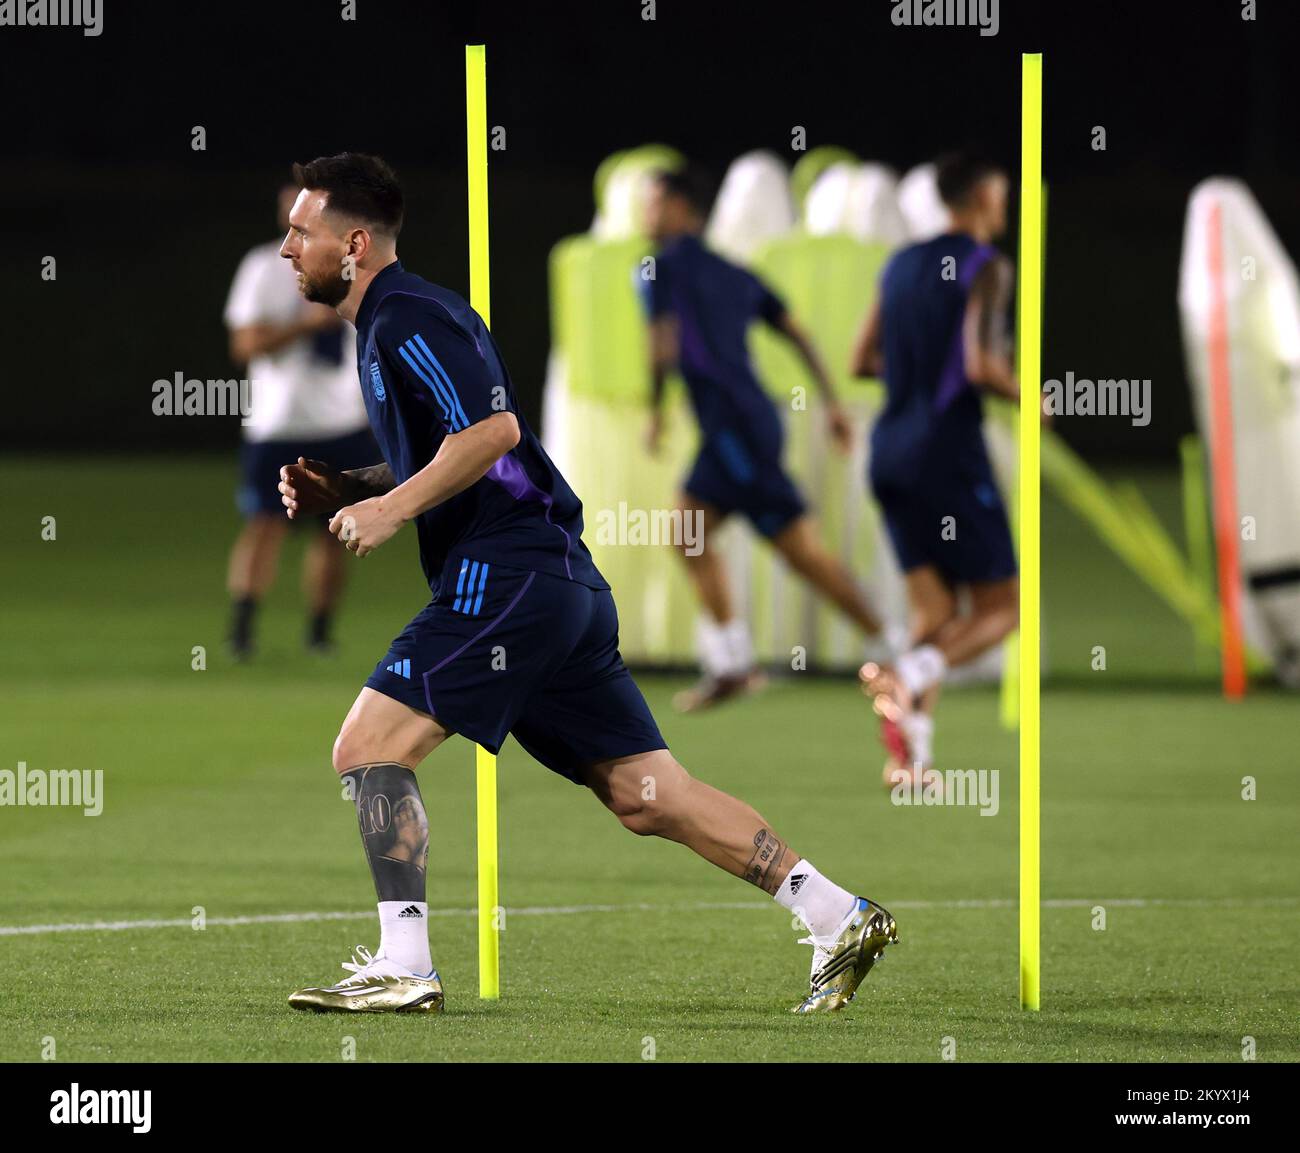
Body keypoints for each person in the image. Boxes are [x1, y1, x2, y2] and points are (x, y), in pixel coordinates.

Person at [274, 152, 897, 1014]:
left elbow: (493, 431)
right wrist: (354, 487)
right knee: (649, 796)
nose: (284, 248)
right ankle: (839, 914)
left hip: (510, 573)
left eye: (299, 231)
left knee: (369, 746)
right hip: (553, 584)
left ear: (352, 243)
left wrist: (392, 513)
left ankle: (405, 964)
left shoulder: (407, 314)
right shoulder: (388, 323)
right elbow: (452, 450)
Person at [640, 167, 883, 711]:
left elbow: (661, 348)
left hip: (734, 428)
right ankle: (732, 662)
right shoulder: (733, 272)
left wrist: (656, 411)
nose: (645, 214)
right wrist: (833, 403)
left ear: (686, 210)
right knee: (688, 533)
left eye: (655, 202)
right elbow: (797, 331)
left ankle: (890, 648)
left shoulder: (655, 270)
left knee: (799, 552)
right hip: (748, 420)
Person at [850, 153, 1020, 788]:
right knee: (1005, 609)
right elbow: (980, 364)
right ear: (980, 195)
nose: (1003, 205)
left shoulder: (898, 263)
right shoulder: (987, 266)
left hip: (889, 451)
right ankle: (905, 677)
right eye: (1000, 192)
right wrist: (1033, 397)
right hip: (946, 452)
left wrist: (917, 374)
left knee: (933, 611)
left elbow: (861, 359)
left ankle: (910, 757)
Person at [223, 184, 374, 659]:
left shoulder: (359, 264)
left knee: (336, 531)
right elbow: (244, 346)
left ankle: (319, 633)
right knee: (265, 525)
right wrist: (304, 326)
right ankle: (241, 630)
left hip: (342, 420)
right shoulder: (265, 265)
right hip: (279, 423)